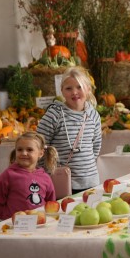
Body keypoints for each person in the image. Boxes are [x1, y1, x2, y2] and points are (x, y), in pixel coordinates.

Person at [37, 66, 102, 194]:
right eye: (68, 88)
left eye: (79, 87)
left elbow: (96, 146)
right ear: (62, 91)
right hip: (61, 181)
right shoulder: (54, 114)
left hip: (91, 182)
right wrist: (45, 173)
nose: (74, 92)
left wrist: (85, 168)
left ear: (88, 89)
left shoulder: (93, 115)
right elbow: (39, 145)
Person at [0, 132, 58, 220]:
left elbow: (51, 203)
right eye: (20, 149)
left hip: (39, 226)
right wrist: (8, 217)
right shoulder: (8, 175)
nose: (24, 153)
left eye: (29, 150)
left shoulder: (45, 178)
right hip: (15, 227)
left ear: (41, 153)